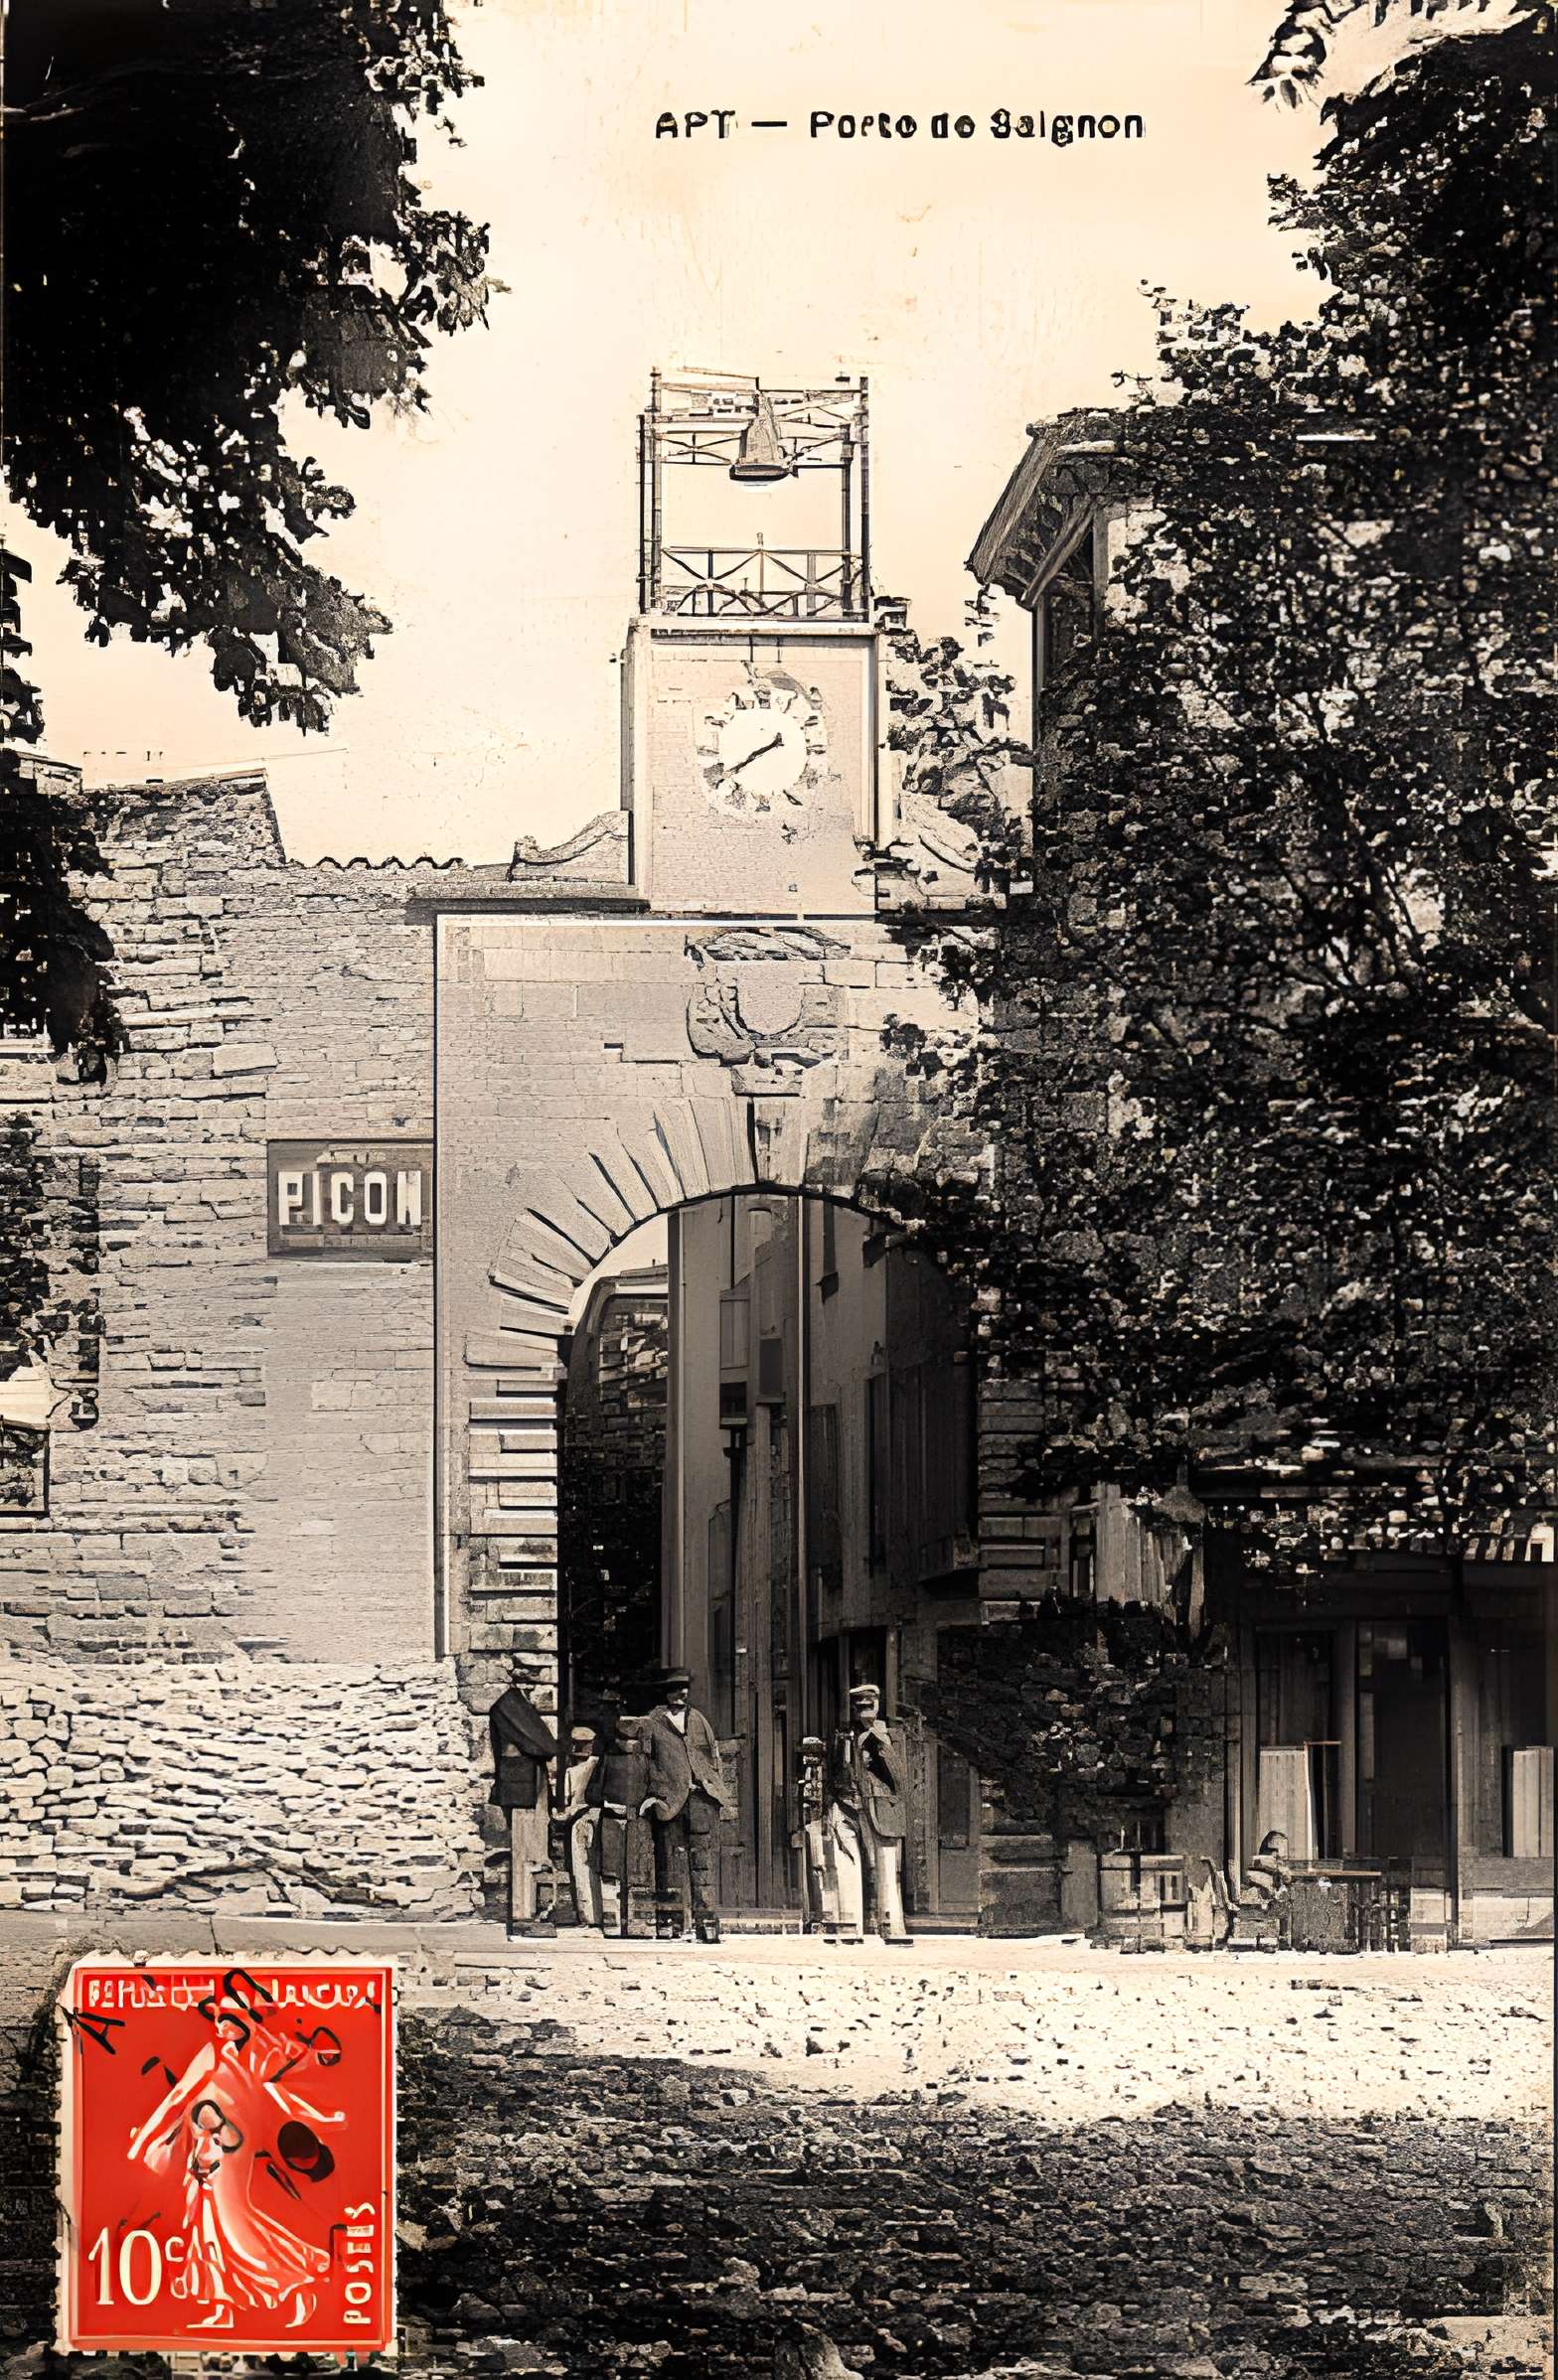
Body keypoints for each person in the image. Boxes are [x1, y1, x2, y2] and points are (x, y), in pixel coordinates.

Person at [641, 1667, 727, 1944]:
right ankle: (669, 1923)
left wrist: (713, 1787)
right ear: (665, 1690)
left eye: (686, 1687)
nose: (684, 1692)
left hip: (700, 1799)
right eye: (677, 1687)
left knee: (703, 1863)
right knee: (669, 1863)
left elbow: (713, 1756)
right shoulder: (651, 1721)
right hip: (668, 1802)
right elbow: (645, 1763)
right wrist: (652, 1796)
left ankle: (707, 1924)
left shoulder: (698, 1719)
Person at [828, 1682, 910, 1944]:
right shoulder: (844, 1735)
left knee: (887, 1869)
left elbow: (901, 1777)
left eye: (868, 1705)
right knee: (847, 1862)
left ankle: (892, 1927)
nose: (864, 1711)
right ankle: (850, 1925)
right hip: (847, 1805)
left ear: (878, 1706)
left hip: (881, 1808)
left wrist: (880, 1742)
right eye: (858, 1706)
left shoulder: (892, 1735)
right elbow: (835, 1770)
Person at [487, 1669, 558, 1934]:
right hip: (521, 1787)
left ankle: (529, 1912)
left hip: (528, 1786)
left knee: (532, 1853)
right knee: (525, 1854)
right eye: (529, 1680)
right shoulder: (510, 1705)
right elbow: (547, 1746)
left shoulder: (516, 1704)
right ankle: (523, 1914)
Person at [597, 1713, 655, 1936]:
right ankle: (612, 1923)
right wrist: (607, 1803)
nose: (629, 1744)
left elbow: (654, 1784)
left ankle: (638, 1924)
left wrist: (651, 1801)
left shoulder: (646, 1762)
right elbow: (596, 1788)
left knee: (637, 1875)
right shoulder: (609, 1759)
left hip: (638, 1822)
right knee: (611, 1873)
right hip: (612, 1819)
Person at [558, 1723, 604, 1930]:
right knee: (597, 1866)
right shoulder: (600, 1764)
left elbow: (569, 1804)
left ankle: (587, 1917)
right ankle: (600, 1914)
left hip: (580, 1819)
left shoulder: (571, 1772)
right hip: (599, 1818)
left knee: (581, 1868)